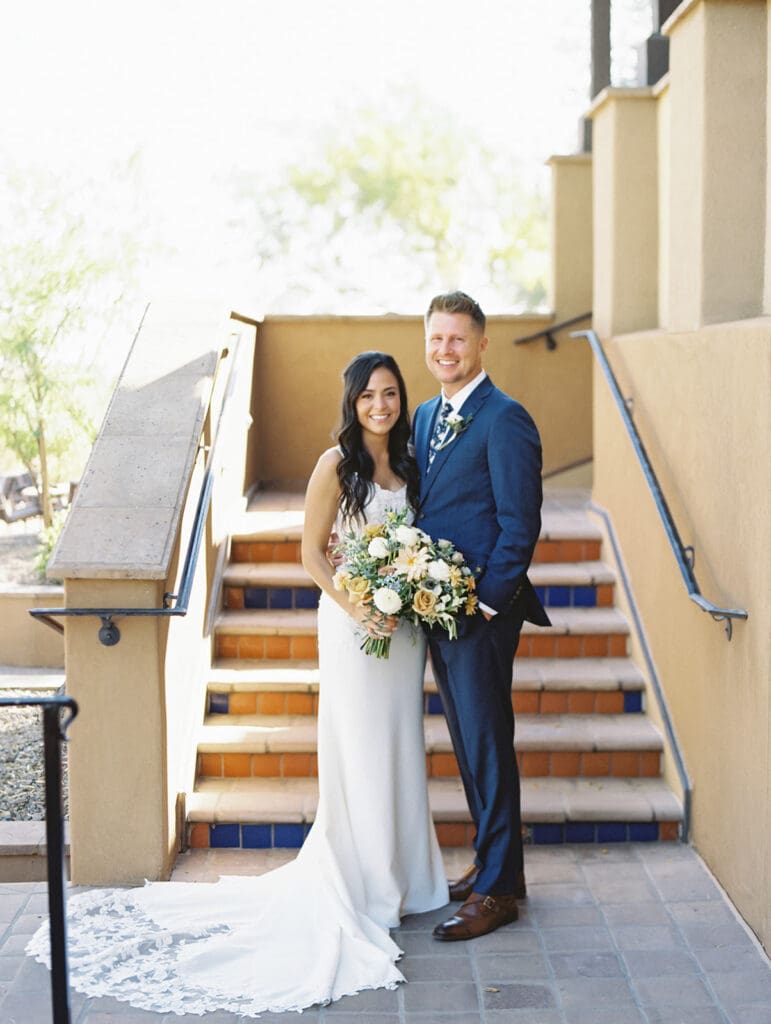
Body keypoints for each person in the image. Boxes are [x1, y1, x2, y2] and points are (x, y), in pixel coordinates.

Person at [26, 351, 447, 1017]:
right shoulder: (334, 465)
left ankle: (410, 880)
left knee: (400, 747)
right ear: (352, 400)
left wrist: (416, 586)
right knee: (362, 752)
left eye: (390, 394)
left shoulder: (414, 463)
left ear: (401, 400)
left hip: (405, 634)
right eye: (368, 395)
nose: (379, 405)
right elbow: (310, 554)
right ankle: (366, 884)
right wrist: (357, 605)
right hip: (352, 625)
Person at [413, 290, 550, 942]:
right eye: (436, 339)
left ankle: (496, 892)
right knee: (469, 744)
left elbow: (519, 524)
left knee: (488, 744)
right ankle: (496, 868)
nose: (445, 350)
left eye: (456, 340)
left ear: (480, 343)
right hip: (437, 609)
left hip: (483, 612)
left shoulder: (505, 418)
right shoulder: (421, 416)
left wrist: (485, 602)